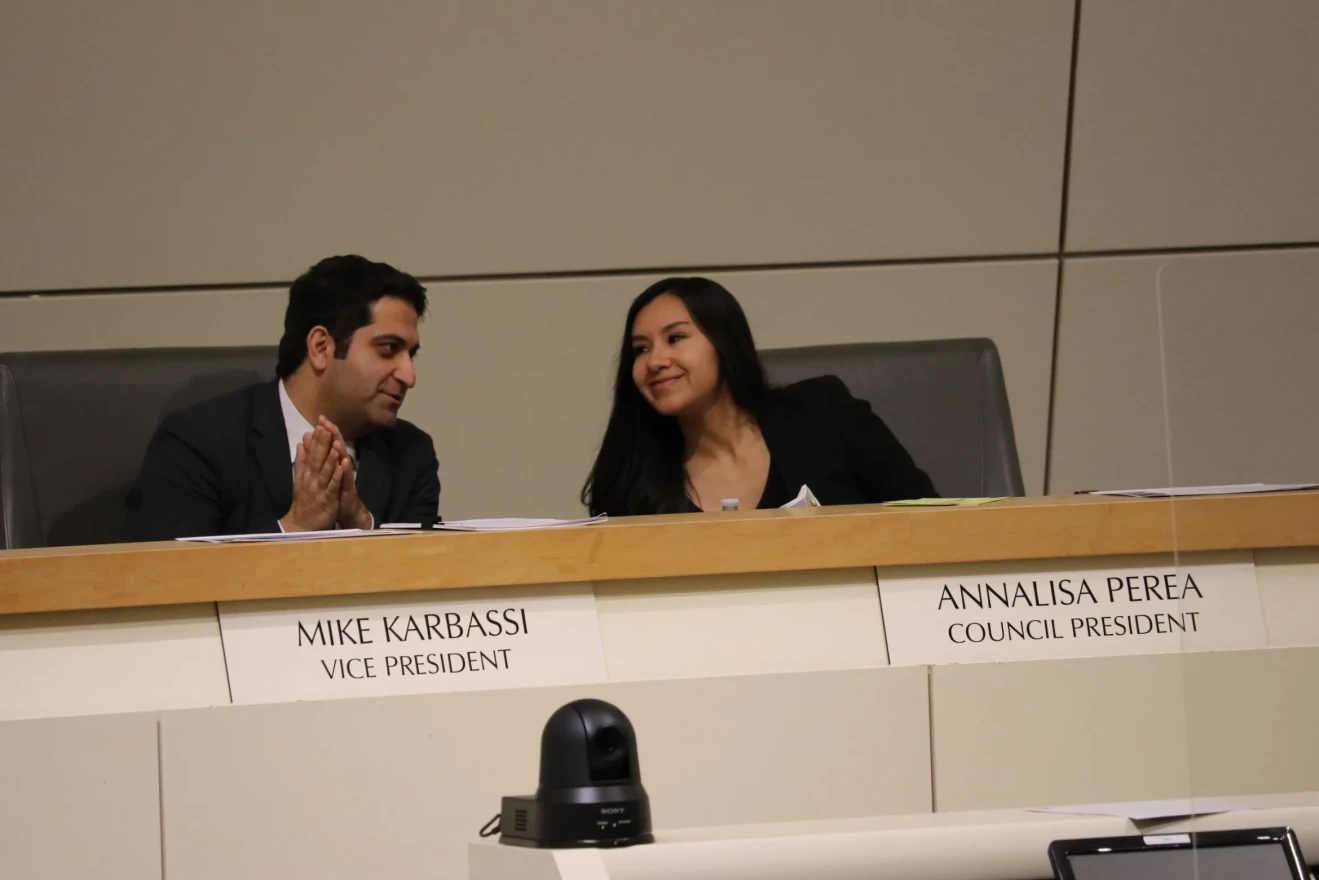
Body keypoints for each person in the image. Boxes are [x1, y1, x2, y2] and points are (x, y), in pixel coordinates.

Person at [124, 255, 440, 540]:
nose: (408, 376)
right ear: (321, 347)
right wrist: (295, 529)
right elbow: (164, 575)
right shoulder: (199, 442)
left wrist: (362, 523)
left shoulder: (411, 454)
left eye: (411, 355)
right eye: (388, 349)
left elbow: (430, 576)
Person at [581, 277, 935, 516]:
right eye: (640, 349)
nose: (655, 361)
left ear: (725, 343)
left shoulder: (824, 413)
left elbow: (929, 518)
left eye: (675, 339)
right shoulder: (630, 476)